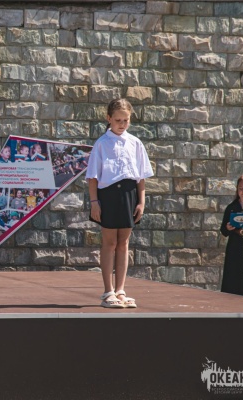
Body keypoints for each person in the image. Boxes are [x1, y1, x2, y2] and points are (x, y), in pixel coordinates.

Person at [86, 98, 153, 309]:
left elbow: (141, 177)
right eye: (118, 120)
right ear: (109, 119)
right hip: (108, 194)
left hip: (129, 194)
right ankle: (108, 291)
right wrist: (94, 202)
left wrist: (141, 202)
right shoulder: (101, 143)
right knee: (109, 243)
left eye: (126, 120)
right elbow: (92, 177)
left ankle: (121, 289)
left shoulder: (135, 143)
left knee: (124, 243)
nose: (122, 124)